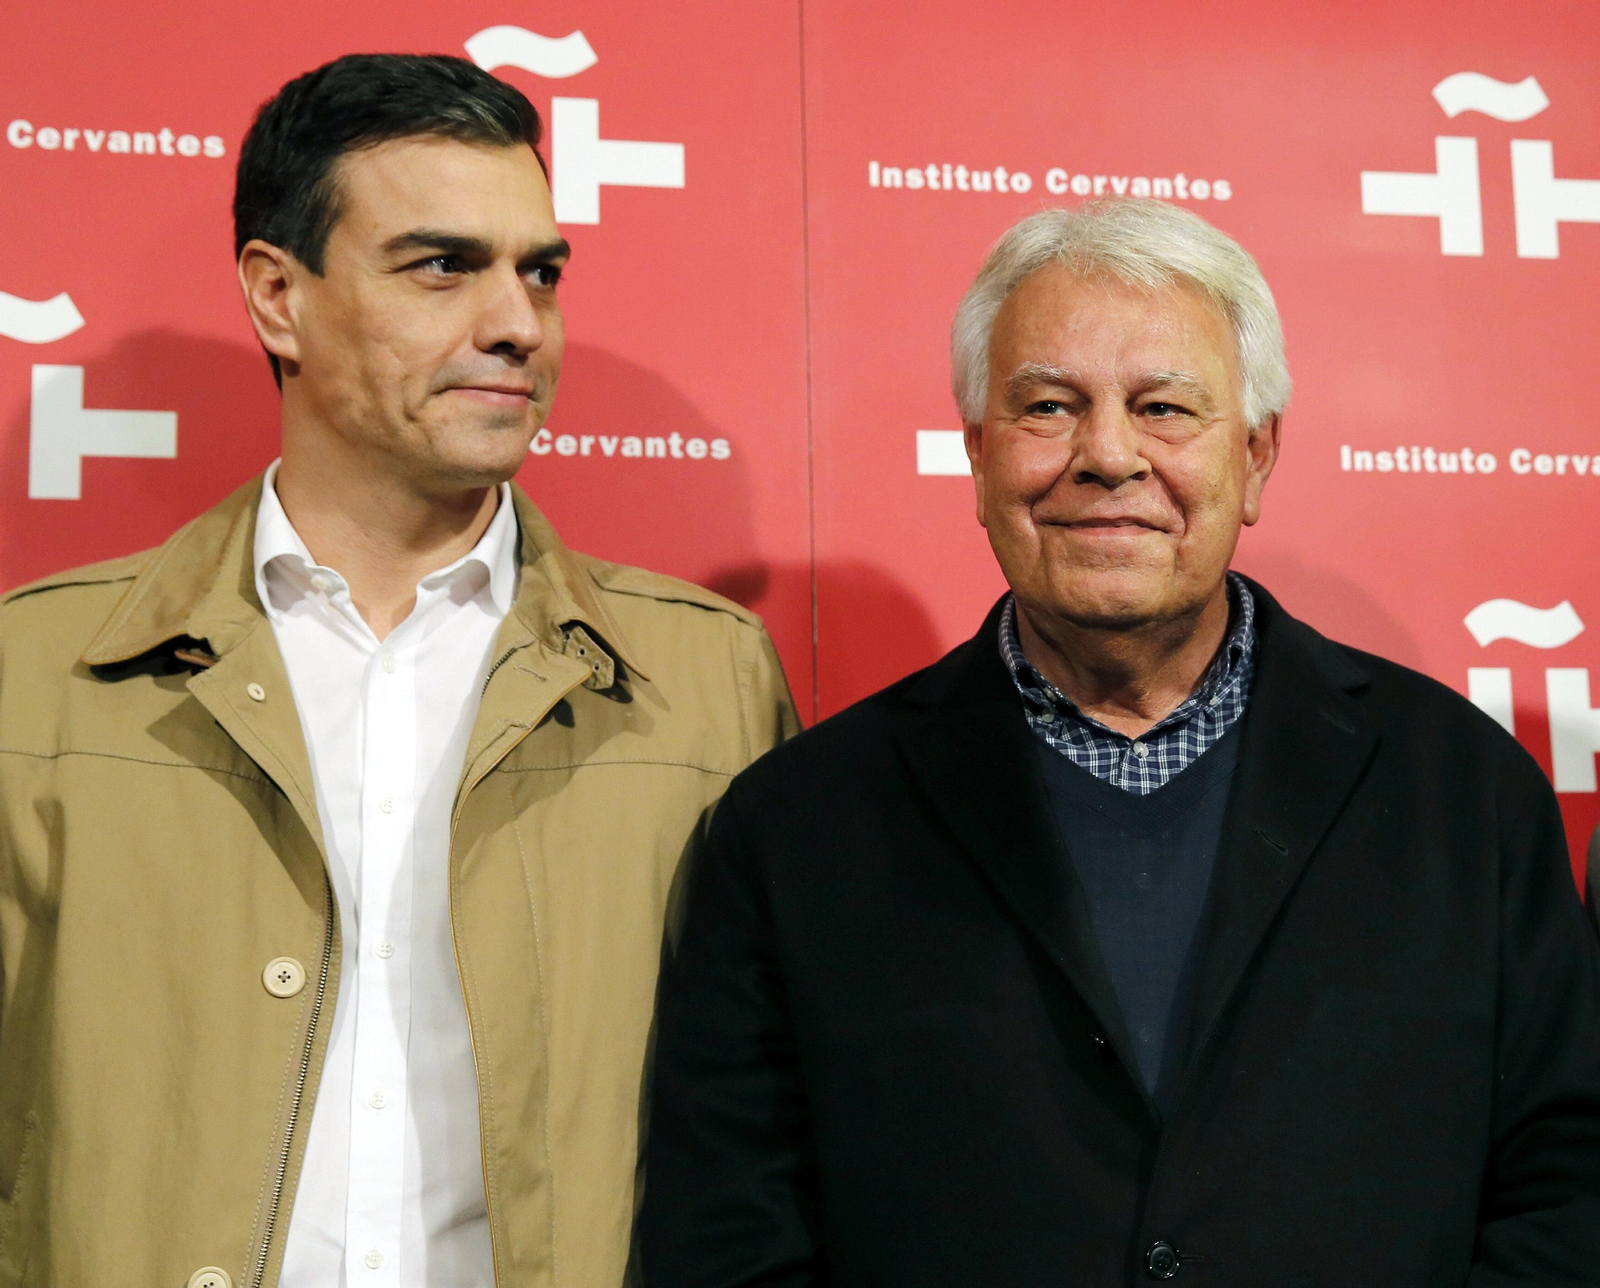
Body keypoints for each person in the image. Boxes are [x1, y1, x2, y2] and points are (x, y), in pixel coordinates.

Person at [638, 199, 1600, 1286]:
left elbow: (1564, 1190)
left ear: (1256, 454)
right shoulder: (797, 825)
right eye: (1049, 406)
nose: (1106, 454)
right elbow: (731, 1233)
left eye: (1163, 407)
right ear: (978, 455)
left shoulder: (1463, 793)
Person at [0, 54, 796, 1288]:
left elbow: (775, 1136)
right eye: (442, 265)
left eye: (540, 272)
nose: (518, 323)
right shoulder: (35, 674)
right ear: (278, 296)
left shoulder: (707, 682)